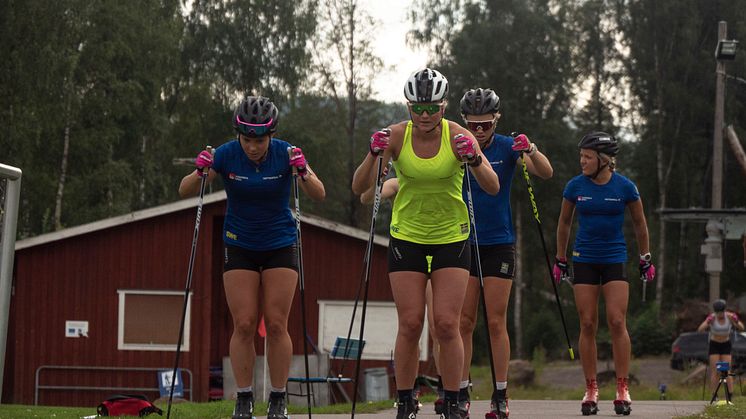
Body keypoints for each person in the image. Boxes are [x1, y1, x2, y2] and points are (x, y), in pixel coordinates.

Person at [352, 68, 499, 419]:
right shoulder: (397, 137)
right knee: (411, 323)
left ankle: (453, 399)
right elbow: (360, 187)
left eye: (432, 108)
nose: (425, 115)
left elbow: (492, 186)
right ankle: (405, 399)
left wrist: (475, 158)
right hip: (408, 237)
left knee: (447, 323)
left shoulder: (459, 135)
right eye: (417, 108)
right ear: (408, 107)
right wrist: (373, 155)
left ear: (444, 106)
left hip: (451, 236)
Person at [178, 96, 325, 419]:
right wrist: (199, 169)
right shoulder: (227, 154)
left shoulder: (285, 153)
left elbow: (319, 192)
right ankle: (243, 398)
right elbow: (185, 190)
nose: (253, 147)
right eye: (247, 140)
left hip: (280, 242)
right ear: (238, 136)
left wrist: (303, 171)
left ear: (271, 135)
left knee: (275, 323)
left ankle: (277, 397)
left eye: (259, 140)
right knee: (243, 323)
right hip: (239, 242)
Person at [457, 88, 553, 419]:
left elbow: (545, 172)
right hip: (461, 242)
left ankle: (500, 394)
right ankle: (460, 390)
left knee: (495, 321)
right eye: (473, 124)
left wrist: (531, 149)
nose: (479, 131)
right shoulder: (456, 145)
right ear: (464, 122)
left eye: (485, 124)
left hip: (498, 241)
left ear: (496, 120)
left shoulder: (505, 147)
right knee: (464, 322)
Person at [553, 132, 655, 416]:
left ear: (604, 160)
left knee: (616, 320)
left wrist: (645, 258)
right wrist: (560, 258)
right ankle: (591, 388)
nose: (582, 161)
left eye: (587, 157)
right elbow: (563, 223)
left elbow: (640, 224)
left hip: (614, 258)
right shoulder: (575, 186)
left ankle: (622, 387)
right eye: (581, 156)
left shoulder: (625, 187)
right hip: (584, 258)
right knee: (587, 323)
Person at [697, 299, 745, 397]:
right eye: (718, 313)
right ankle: (714, 395)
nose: (720, 315)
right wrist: (708, 321)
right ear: (715, 311)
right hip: (714, 345)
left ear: (724, 310)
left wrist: (736, 320)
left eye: (721, 312)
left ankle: (730, 394)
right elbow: (700, 329)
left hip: (725, 345)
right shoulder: (713, 318)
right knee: (715, 371)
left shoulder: (729, 317)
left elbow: (741, 328)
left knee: (727, 370)